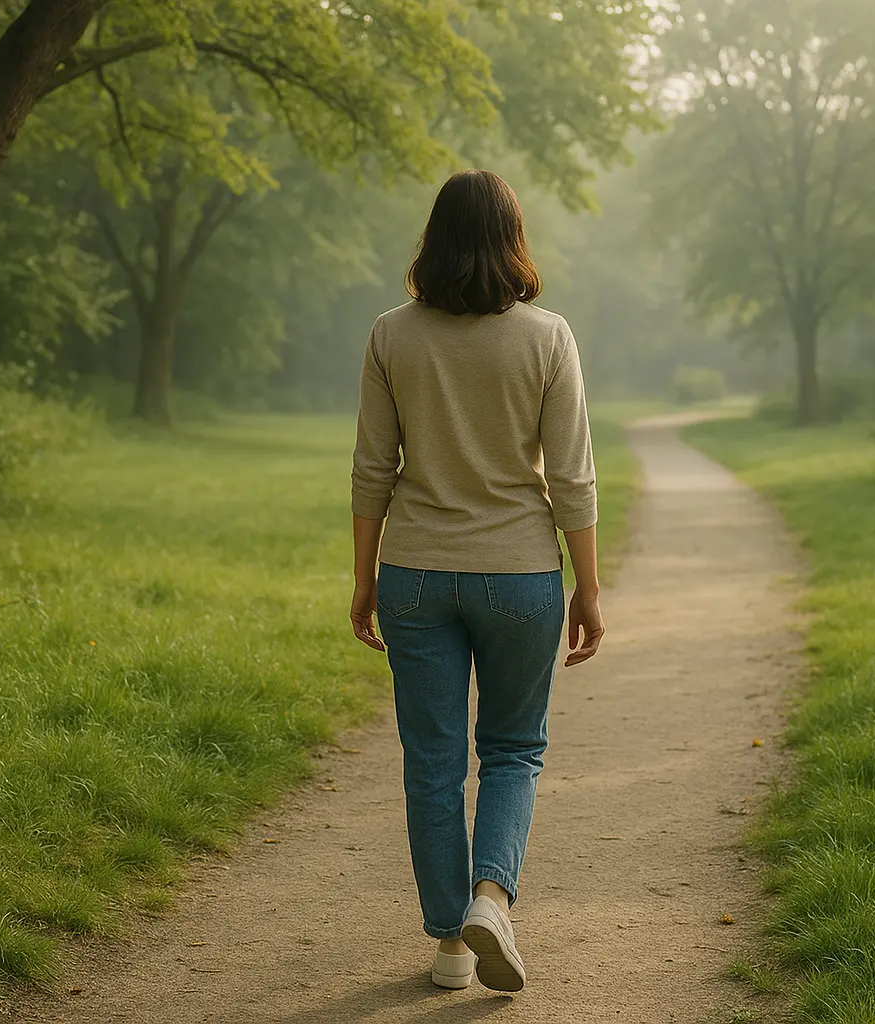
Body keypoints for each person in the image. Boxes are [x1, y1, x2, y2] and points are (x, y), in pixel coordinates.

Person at [349, 168, 604, 994]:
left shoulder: (391, 335)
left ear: (436, 239)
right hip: (520, 575)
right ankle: (490, 900)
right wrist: (588, 587)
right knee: (513, 749)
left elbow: (372, 468)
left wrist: (364, 577)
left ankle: (450, 948)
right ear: (511, 239)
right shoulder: (549, 338)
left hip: (415, 572)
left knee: (431, 761)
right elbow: (573, 477)